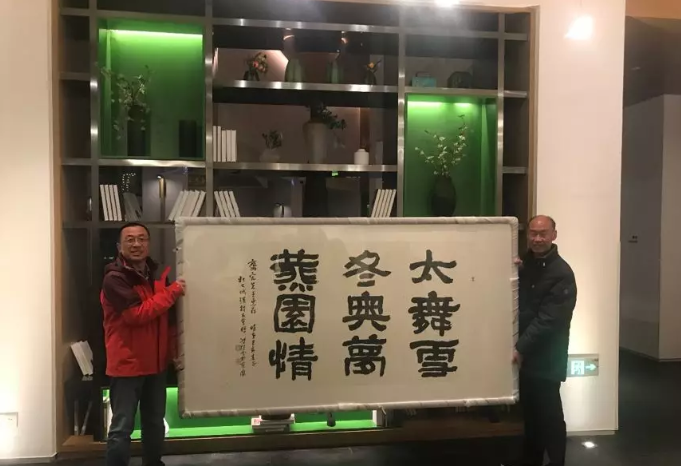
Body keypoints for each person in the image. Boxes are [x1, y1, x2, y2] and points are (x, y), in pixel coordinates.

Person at [101, 222, 186, 466]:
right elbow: (136, 315)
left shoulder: (157, 275)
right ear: (119, 246)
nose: (136, 244)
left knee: (155, 424)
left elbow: (168, 320)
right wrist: (172, 292)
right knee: (122, 428)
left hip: (156, 365)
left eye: (141, 239)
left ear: (148, 244)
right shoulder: (114, 278)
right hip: (127, 366)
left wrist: (173, 352)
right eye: (130, 240)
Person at [504, 215, 577, 466]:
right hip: (527, 355)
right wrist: (515, 267)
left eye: (543, 233)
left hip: (547, 356)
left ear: (553, 235)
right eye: (533, 233)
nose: (537, 238)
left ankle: (557, 462)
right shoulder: (526, 264)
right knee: (531, 414)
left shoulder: (562, 273)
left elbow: (549, 320)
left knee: (550, 415)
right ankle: (531, 459)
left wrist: (520, 348)